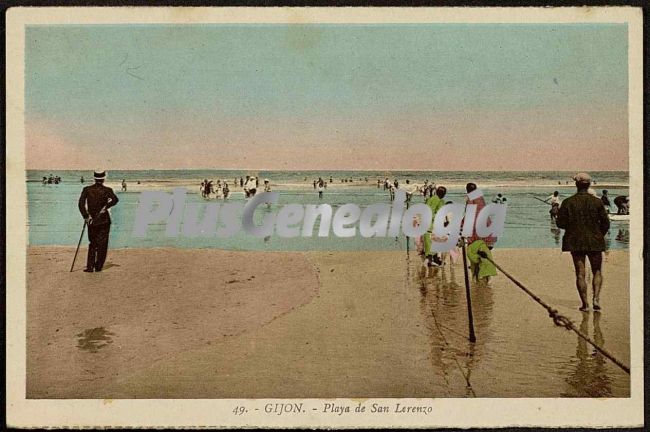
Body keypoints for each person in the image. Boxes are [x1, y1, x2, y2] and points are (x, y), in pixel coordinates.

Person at [556, 173, 610, 311]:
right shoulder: (597, 202)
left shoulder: (568, 202)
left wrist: (572, 227)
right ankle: (596, 299)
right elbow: (606, 223)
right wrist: (599, 235)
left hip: (575, 241)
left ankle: (585, 304)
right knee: (597, 270)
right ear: (589, 185)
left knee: (580, 273)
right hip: (595, 241)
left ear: (576, 184)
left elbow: (560, 224)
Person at [78, 170, 119, 273]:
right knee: (103, 244)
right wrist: (106, 206)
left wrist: (86, 216)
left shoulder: (87, 189)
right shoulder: (107, 190)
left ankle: (90, 267)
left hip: (91, 220)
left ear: (94, 178)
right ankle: (98, 267)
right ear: (104, 178)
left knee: (92, 243)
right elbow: (115, 200)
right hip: (104, 220)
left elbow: (80, 204)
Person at [423, 186, 447, 267]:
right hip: (431, 225)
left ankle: (432, 259)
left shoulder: (432, 199)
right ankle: (429, 261)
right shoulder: (437, 200)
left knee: (430, 243)